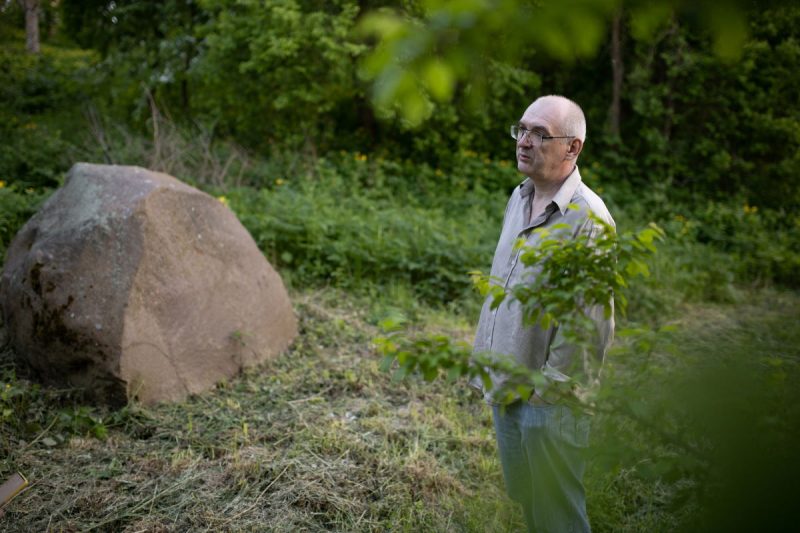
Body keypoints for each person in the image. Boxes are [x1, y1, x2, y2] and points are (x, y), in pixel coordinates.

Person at [471, 95, 615, 532]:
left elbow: (589, 328)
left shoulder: (588, 220)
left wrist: (544, 398)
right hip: (506, 384)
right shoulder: (520, 196)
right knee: (530, 502)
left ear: (573, 148)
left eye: (540, 133)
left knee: (560, 516)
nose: (525, 141)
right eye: (522, 129)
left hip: (547, 403)